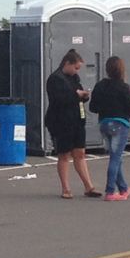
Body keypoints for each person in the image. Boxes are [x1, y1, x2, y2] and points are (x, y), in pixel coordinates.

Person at [43, 50, 102, 200]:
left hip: (77, 119)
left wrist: (84, 96)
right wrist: (76, 95)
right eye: (76, 67)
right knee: (64, 155)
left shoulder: (74, 77)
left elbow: (78, 95)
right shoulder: (54, 79)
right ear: (67, 63)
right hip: (61, 121)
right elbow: (58, 100)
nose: (77, 71)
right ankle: (66, 188)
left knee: (80, 153)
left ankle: (89, 186)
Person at [91, 57, 130, 201]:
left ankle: (123, 188)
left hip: (104, 123)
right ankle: (110, 191)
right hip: (120, 123)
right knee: (115, 158)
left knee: (116, 157)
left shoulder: (100, 85)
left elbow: (93, 107)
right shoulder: (124, 87)